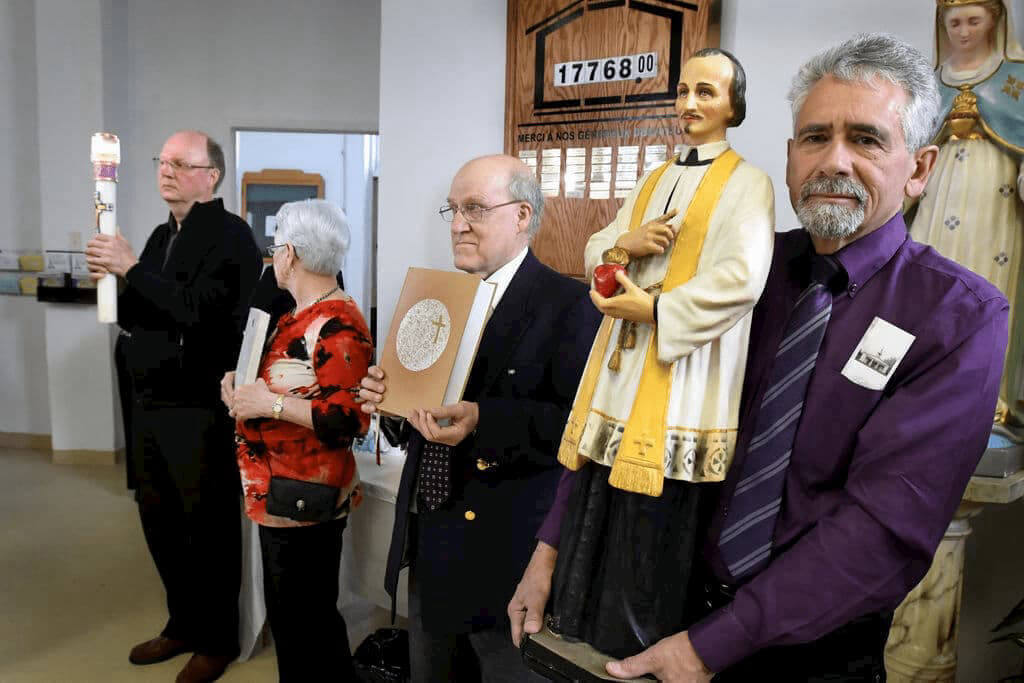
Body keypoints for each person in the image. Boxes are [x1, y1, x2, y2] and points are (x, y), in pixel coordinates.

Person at [511, 33, 1009, 682]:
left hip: (806, 655)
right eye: (814, 138)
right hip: (660, 610)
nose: (834, 160)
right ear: (789, 157)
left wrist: (712, 645)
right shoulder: (742, 269)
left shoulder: (959, 315)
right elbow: (629, 392)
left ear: (919, 168)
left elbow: (885, 528)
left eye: (865, 139)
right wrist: (553, 543)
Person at [531, 48, 774, 661]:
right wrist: (625, 246)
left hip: (683, 373)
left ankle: (636, 637)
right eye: (684, 90)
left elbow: (742, 278)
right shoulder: (654, 176)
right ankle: (579, 614)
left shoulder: (749, 183)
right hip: (622, 370)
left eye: (708, 93)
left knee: (653, 520)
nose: (690, 103)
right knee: (598, 497)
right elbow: (599, 245)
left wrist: (660, 311)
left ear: (733, 107)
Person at [358, 154, 602, 681]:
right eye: (452, 208)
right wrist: (390, 402)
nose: (457, 224)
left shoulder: (571, 305)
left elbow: (575, 430)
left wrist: (483, 420)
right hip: (430, 545)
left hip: (507, 558)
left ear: (521, 215)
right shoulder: (440, 298)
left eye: (474, 208)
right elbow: (416, 422)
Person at [85, 130, 262, 683]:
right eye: (162, 161)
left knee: (205, 526)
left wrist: (131, 269)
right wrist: (114, 283)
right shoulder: (165, 234)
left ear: (211, 176)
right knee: (159, 518)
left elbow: (198, 311)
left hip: (197, 408)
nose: (166, 171)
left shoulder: (231, 237)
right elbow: (148, 310)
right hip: (149, 404)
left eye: (181, 163)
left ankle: (217, 640)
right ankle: (182, 623)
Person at [221, 199, 373, 682]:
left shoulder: (336, 323)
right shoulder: (296, 315)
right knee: (296, 626)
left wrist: (268, 404)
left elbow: (347, 417)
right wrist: (242, 389)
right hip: (279, 491)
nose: (272, 259)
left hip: (306, 497)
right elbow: (279, 382)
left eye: (274, 249)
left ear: (289, 254)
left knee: (307, 628)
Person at [910, 0, 1024, 430]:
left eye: (974, 20)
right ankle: (924, 390)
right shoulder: (928, 84)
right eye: (954, 22)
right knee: (928, 281)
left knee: (989, 284)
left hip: (995, 200)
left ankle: (989, 400)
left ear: (995, 21)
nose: (963, 31)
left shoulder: (1017, 80)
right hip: (939, 193)